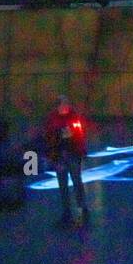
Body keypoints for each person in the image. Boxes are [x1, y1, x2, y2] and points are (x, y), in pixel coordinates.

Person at [44, 95, 89, 226]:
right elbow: (48, 135)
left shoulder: (73, 117)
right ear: (58, 106)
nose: (65, 107)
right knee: (63, 185)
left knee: (76, 181)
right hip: (59, 156)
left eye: (67, 104)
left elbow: (79, 135)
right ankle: (67, 212)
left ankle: (82, 209)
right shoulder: (52, 119)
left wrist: (81, 150)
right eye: (63, 105)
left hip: (72, 154)